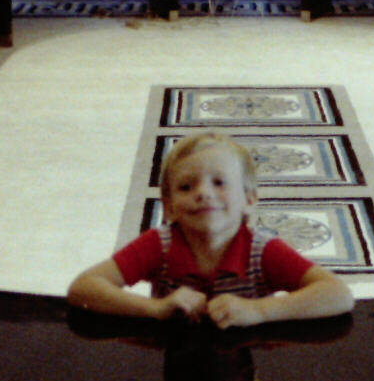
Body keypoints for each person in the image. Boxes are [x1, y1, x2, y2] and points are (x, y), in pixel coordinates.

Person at [68, 131, 354, 328]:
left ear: (249, 199)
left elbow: (337, 294)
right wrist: (154, 309)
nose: (203, 193)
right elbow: (84, 288)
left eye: (219, 183)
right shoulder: (159, 244)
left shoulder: (262, 250)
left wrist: (258, 311)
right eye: (186, 186)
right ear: (168, 206)